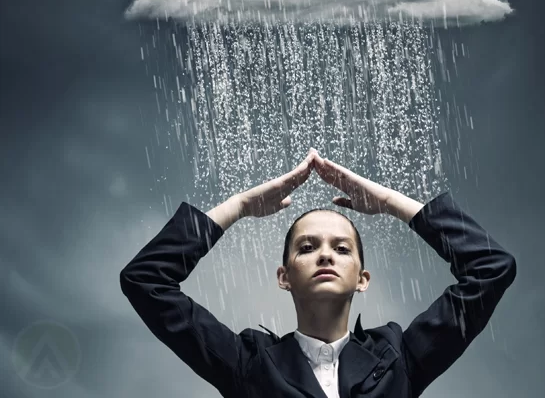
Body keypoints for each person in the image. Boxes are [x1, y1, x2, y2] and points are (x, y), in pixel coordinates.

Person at [120, 148, 516, 398]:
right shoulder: (250, 364)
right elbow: (145, 279)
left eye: (342, 249)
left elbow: (491, 267)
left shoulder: (400, 356)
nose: (325, 255)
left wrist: (391, 203)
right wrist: (237, 206)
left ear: (362, 278)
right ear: (284, 276)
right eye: (307, 247)